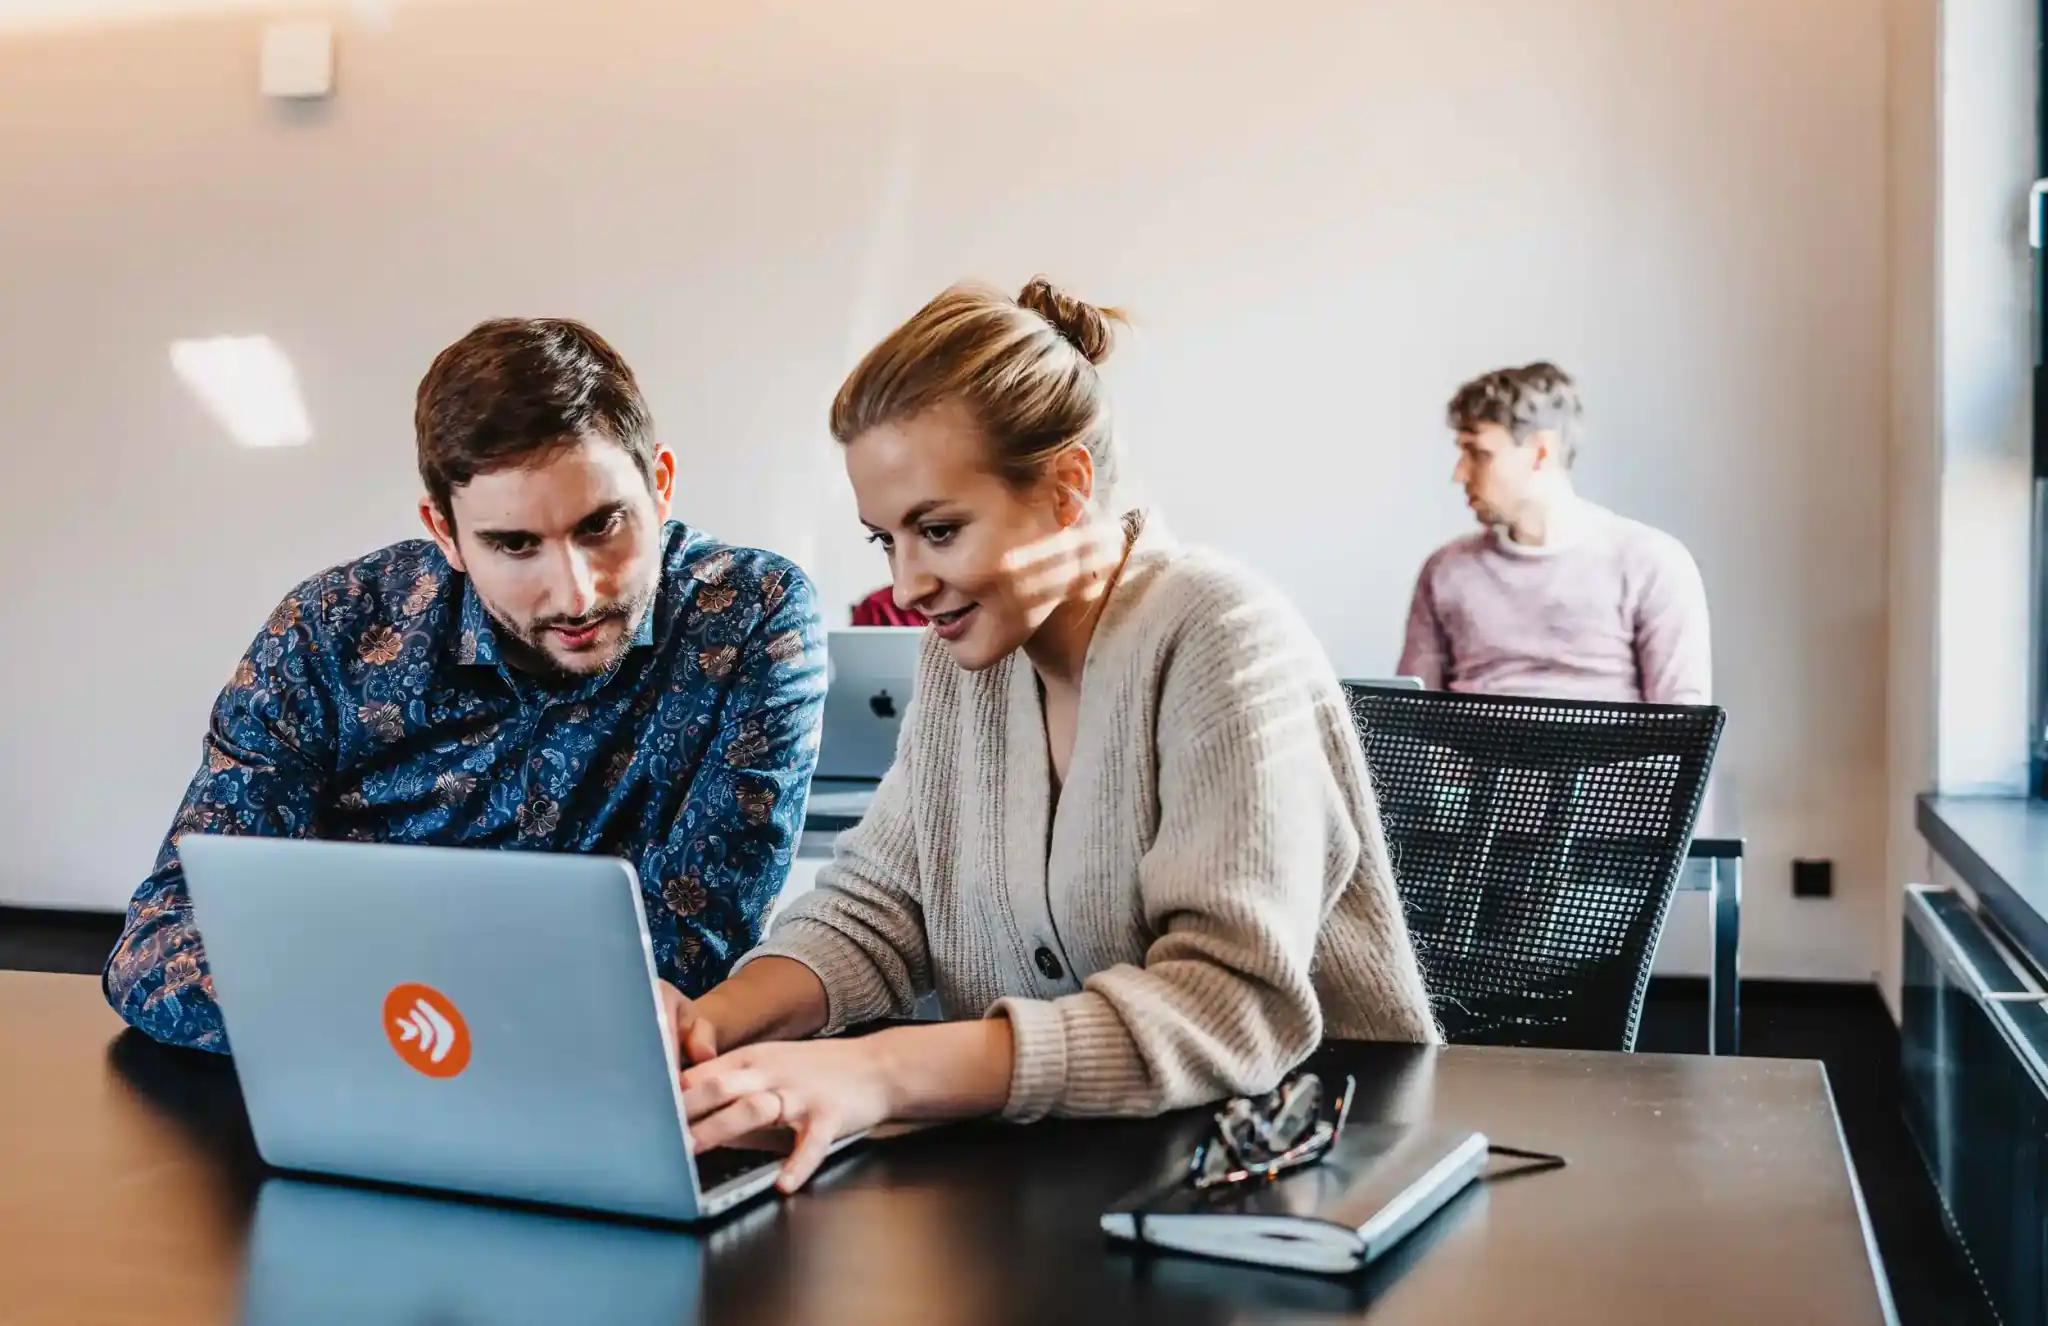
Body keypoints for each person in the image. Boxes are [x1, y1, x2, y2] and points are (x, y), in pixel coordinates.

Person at [663, 278, 1438, 1193]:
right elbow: (882, 904)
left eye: (938, 530)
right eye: (885, 541)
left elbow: (1228, 1004)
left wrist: (880, 1071)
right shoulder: (963, 664)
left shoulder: (1222, 635)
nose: (907, 585)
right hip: (1067, 1174)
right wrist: (711, 1026)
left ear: (1068, 487)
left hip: (1296, 1174)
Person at [104, 319, 827, 1052]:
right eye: (514, 544)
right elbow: (163, 940)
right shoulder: (332, 627)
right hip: (350, 1074)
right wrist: (398, 1029)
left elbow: (693, 957)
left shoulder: (748, 615)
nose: (576, 594)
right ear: (444, 531)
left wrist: (380, 1001)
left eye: (602, 526)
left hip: (593, 1083)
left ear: (660, 485)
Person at [1397, 362, 1711, 703]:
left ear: (1540, 452)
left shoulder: (1651, 562)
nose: (1460, 474)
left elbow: (1681, 721)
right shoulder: (1445, 569)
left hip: (1606, 741)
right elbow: (1410, 715)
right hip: (1467, 741)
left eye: (1478, 453)